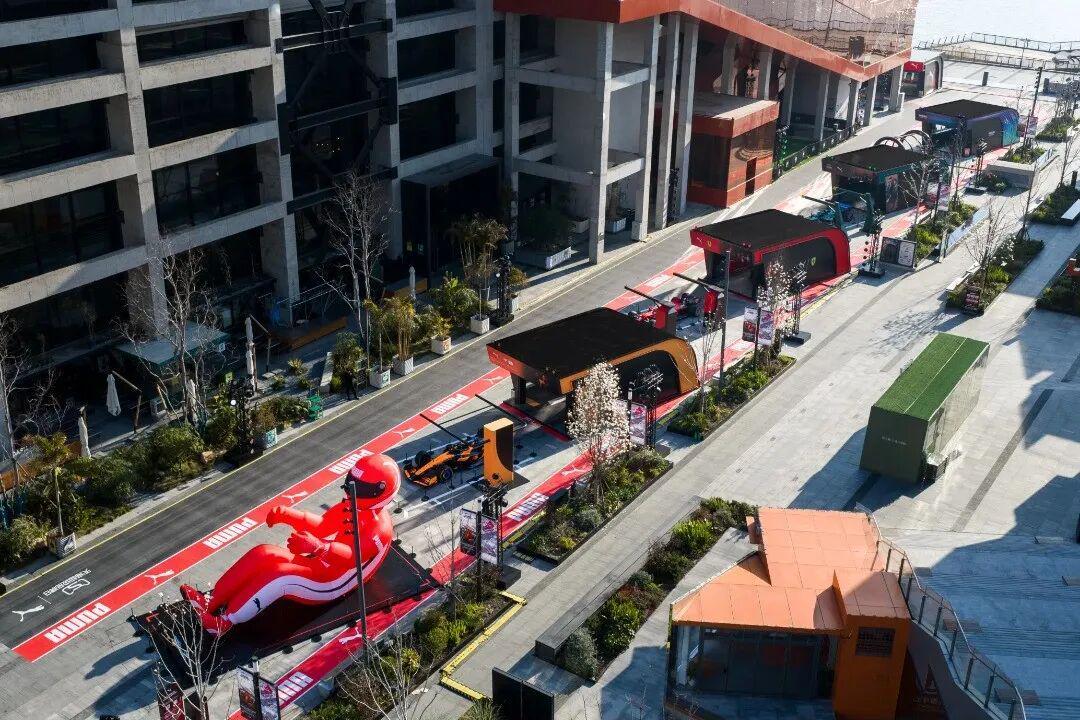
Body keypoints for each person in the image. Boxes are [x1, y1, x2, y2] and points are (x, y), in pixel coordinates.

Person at [180, 453, 400, 635]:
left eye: (359, 487)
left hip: (333, 583)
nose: (350, 490)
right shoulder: (355, 504)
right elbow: (324, 525)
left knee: (279, 575)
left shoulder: (379, 528)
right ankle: (210, 601)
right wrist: (288, 515)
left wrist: (318, 547)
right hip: (323, 565)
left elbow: (352, 557)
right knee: (264, 553)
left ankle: (224, 623)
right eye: (350, 483)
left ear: (380, 490)